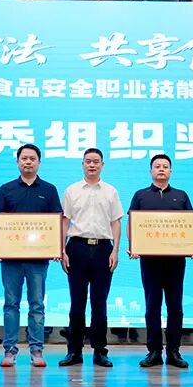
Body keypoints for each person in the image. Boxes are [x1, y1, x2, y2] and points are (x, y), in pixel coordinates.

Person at [0, 144, 63, 368]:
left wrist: (57, 248)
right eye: (24, 158)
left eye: (32, 158)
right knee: (11, 304)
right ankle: (9, 350)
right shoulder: (6, 189)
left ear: (39, 162)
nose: (28, 162)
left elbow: (57, 221)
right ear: (18, 162)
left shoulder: (49, 190)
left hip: (38, 260)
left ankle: (36, 350)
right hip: (10, 259)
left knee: (37, 304)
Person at [128, 154, 193, 369]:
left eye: (165, 166)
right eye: (157, 166)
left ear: (170, 171)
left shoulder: (181, 195)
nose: (161, 169)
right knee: (152, 305)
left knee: (175, 306)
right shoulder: (141, 195)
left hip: (175, 261)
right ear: (151, 171)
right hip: (150, 260)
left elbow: (190, 225)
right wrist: (134, 246)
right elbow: (132, 223)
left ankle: (174, 352)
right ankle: (154, 352)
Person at [58, 148, 124, 368]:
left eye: (96, 161)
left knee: (99, 303)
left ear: (102, 165)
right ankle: (74, 351)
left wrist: (115, 250)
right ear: (82, 164)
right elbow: (65, 222)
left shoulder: (111, 191)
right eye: (88, 161)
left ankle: (100, 351)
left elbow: (116, 222)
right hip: (76, 248)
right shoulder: (72, 190)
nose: (92, 165)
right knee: (77, 303)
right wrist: (62, 250)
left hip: (103, 249)